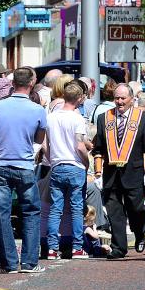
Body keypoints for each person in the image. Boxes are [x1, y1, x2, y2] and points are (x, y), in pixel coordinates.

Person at [0, 67, 47, 274]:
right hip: (24, 165)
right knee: (30, 212)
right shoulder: (37, 110)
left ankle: (8, 263)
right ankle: (28, 262)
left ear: (13, 83)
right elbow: (40, 139)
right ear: (32, 83)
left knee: (2, 213)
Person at [91, 83, 145, 259]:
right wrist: (98, 173)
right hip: (111, 174)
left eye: (123, 98)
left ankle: (139, 231)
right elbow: (98, 149)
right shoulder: (104, 118)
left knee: (136, 209)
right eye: (116, 98)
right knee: (114, 211)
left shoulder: (143, 118)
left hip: (134, 172)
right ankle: (119, 248)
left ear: (132, 99)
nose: (119, 102)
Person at [45, 81, 91, 260]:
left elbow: (46, 145)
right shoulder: (77, 118)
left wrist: (52, 160)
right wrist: (86, 162)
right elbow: (80, 146)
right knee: (76, 208)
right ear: (79, 98)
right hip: (75, 165)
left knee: (55, 209)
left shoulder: (51, 117)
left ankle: (51, 248)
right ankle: (77, 247)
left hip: (57, 165)